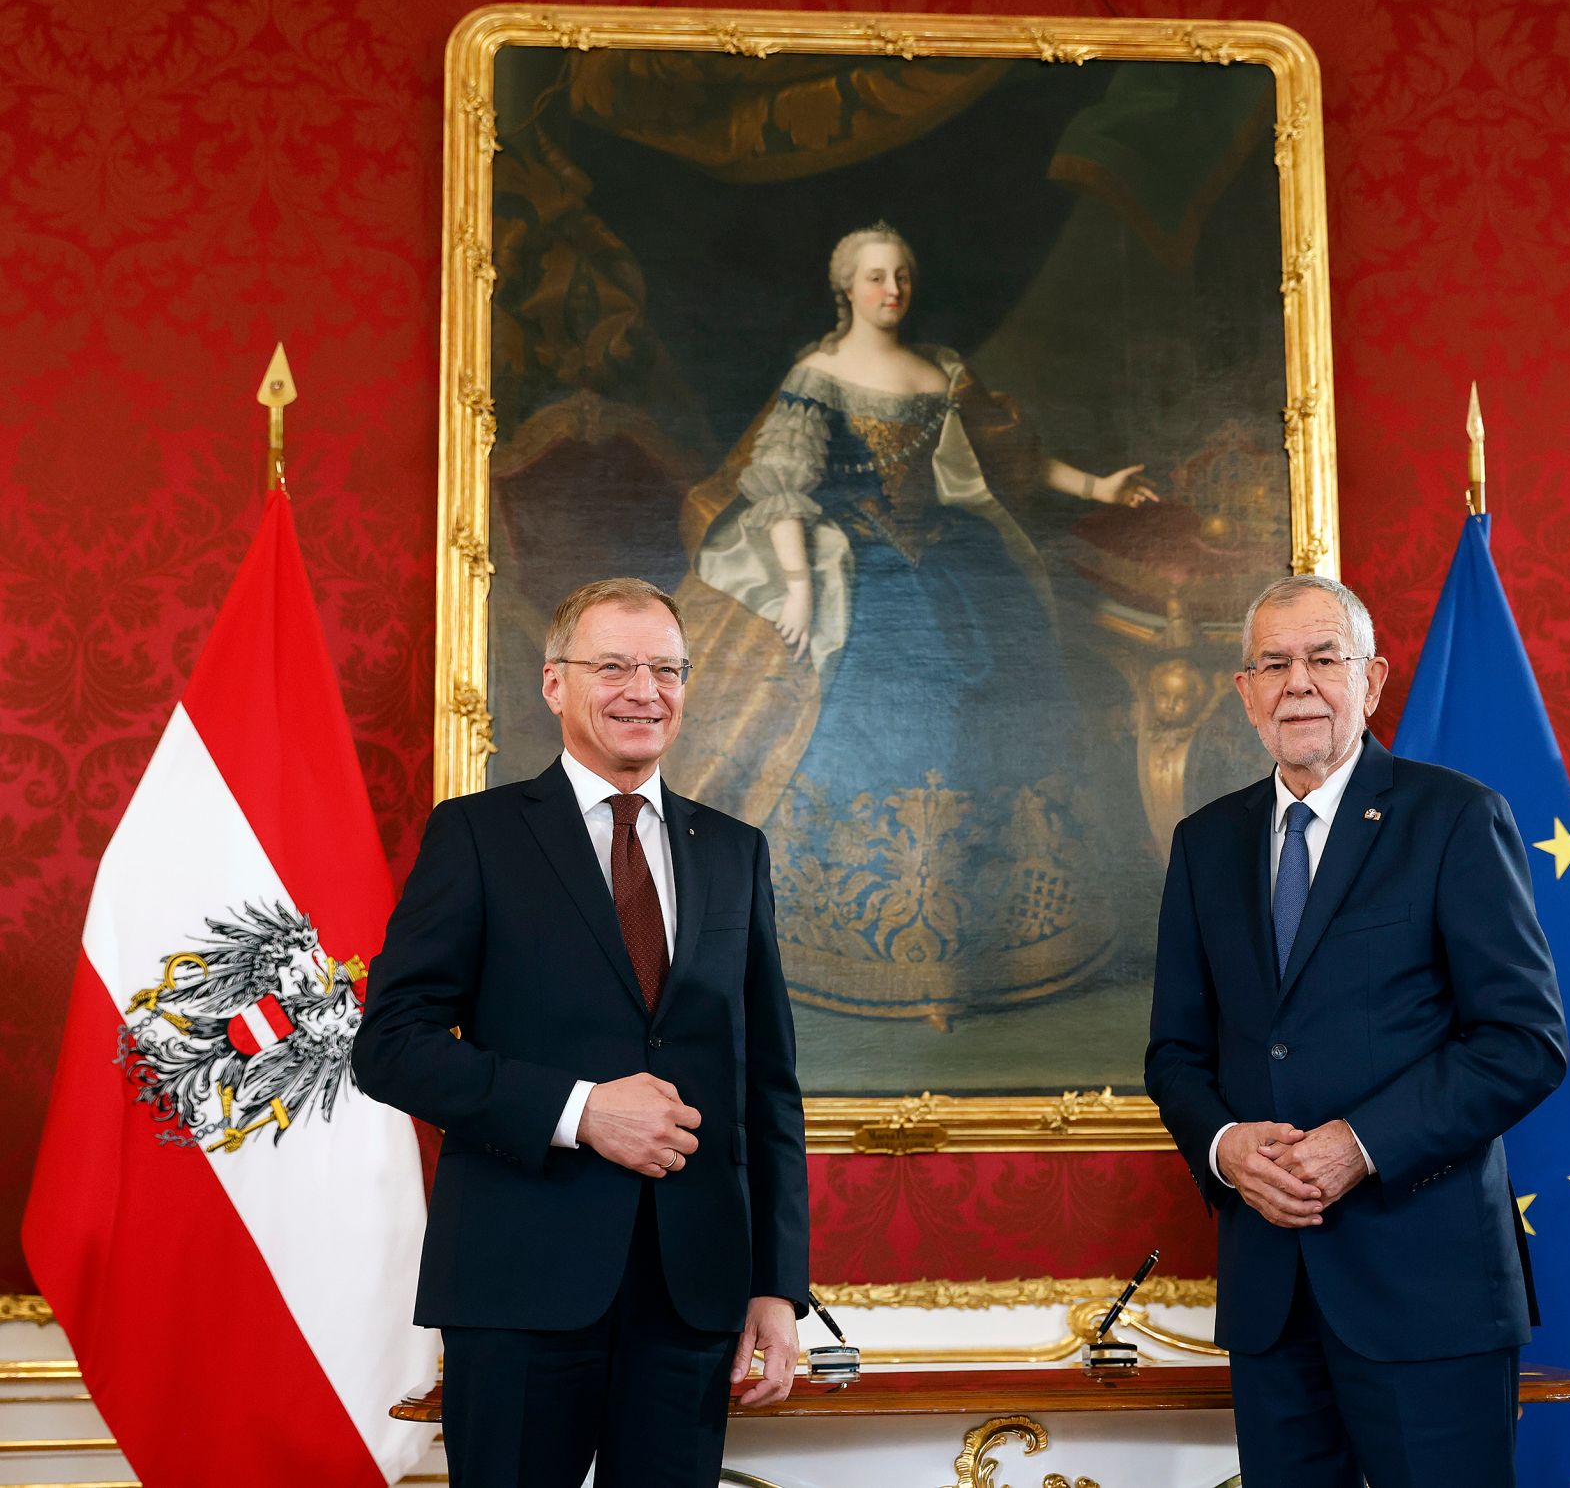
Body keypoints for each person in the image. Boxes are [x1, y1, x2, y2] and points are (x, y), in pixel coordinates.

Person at [353, 578, 809, 1488]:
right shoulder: (477, 835)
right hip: (520, 1283)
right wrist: (580, 1110)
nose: (645, 689)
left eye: (666, 668)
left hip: (693, 1293)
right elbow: (390, 1043)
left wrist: (776, 1284)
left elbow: (766, 1082)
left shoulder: (733, 849)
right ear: (555, 683)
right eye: (614, 665)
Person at [671, 222, 1156, 1022]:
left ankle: (993, 940)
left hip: (958, 559)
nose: (890, 289)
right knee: (880, 702)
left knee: (1003, 693)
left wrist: (1098, 487)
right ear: (846, 289)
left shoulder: (942, 372)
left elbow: (1011, 463)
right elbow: (783, 486)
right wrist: (797, 586)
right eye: (872, 277)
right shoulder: (818, 374)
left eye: (900, 275)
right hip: (856, 563)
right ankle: (856, 944)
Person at [1144, 575, 1568, 1487]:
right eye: (1274, 663)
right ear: (1245, 690)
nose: (1299, 682)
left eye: (1323, 658)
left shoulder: (1453, 817)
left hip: (1429, 1291)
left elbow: (1524, 1039)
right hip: (1270, 1295)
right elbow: (1174, 1052)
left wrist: (1360, 1143)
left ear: (1371, 681)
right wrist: (1223, 1146)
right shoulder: (1205, 842)